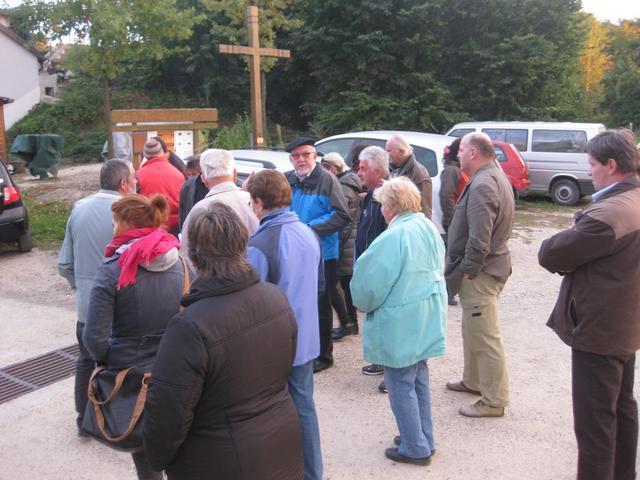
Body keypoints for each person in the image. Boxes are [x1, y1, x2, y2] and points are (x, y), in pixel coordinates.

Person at [143, 202, 303, 480]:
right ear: (243, 245)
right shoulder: (275, 297)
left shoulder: (189, 326)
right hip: (280, 442)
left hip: (219, 460)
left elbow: (167, 412)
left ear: (193, 256)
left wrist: (156, 458)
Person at [538, 129, 640, 480]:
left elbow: (550, 253)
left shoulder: (608, 215)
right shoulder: (632, 199)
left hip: (600, 330)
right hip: (626, 323)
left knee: (595, 427)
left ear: (611, 166)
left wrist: (578, 227)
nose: (589, 171)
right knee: (622, 411)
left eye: (592, 164)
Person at [83, 194, 186, 480]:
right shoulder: (182, 263)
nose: (112, 228)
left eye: (115, 222)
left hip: (132, 374)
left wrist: (105, 361)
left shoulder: (113, 269)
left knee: (145, 452)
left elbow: (94, 337)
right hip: (177, 369)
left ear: (126, 223)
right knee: (180, 443)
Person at [351, 177, 447, 466]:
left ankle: (414, 447)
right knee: (418, 378)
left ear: (391, 206)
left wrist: (363, 304)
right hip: (425, 316)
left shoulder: (394, 237)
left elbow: (368, 287)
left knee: (400, 383)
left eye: (382, 205)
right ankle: (420, 436)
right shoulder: (427, 226)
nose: (381, 210)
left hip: (402, 321)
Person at [246, 170, 324, 480]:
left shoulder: (261, 243)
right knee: (304, 407)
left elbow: (252, 302)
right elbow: (319, 287)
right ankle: (311, 472)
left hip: (274, 345)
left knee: (268, 414)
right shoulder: (307, 232)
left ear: (259, 202)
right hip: (306, 337)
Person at [57, 159, 137, 435]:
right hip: (121, 306)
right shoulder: (129, 214)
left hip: (86, 308)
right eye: (134, 180)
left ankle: (84, 421)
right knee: (123, 364)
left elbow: (64, 264)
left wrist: (81, 287)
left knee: (85, 360)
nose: (137, 185)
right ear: (123, 184)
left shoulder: (78, 210)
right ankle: (120, 423)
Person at [444, 132, 514, 418]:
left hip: (481, 272)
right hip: (485, 269)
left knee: (485, 335)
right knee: (472, 329)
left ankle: (494, 400)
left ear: (473, 152)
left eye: (461, 150)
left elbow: (479, 238)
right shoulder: (491, 176)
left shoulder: (485, 182)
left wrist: (469, 269)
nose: (457, 154)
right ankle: (473, 381)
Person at [284, 137, 351, 373]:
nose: (301, 159)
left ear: (315, 156)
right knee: (297, 302)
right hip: (294, 252)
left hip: (324, 253)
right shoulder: (287, 179)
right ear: (291, 159)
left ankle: (324, 355)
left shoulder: (327, 179)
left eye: (306, 154)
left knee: (321, 303)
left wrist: (307, 228)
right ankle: (301, 349)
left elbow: (342, 215)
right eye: (296, 156)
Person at [180, 149, 258, 257]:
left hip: (211, 272)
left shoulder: (198, 210)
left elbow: (186, 253)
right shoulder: (256, 203)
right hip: (253, 271)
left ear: (203, 178)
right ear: (235, 174)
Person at [355, 146, 390, 381]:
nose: (358, 173)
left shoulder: (389, 196)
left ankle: (392, 372)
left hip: (382, 271)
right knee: (375, 318)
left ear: (377, 171)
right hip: (370, 268)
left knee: (386, 319)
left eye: (363, 168)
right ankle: (381, 361)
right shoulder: (370, 194)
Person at [320, 152, 362, 340]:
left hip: (344, 244)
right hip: (346, 242)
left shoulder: (343, 188)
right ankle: (349, 323)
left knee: (340, 285)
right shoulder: (346, 184)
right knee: (342, 285)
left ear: (333, 169)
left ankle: (348, 323)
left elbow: (340, 220)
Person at [439, 137, 467, 306]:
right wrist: (453, 218)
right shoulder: (452, 170)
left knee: (456, 255)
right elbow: (445, 195)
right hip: (453, 220)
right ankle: (447, 291)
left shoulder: (458, 169)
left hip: (458, 219)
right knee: (453, 257)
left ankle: (450, 290)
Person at [136, 138, 185, 235]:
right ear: (162, 152)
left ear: (145, 155)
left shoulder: (138, 175)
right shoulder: (178, 173)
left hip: (150, 228)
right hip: (175, 228)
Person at [386, 134, 432, 219]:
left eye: (389, 151)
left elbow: (425, 210)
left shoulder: (420, 174)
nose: (387, 154)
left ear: (401, 152)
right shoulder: (390, 169)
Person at [177, 154, 208, 233]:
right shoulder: (186, 187)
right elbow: (182, 214)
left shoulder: (208, 187)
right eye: (188, 175)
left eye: (194, 174)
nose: (191, 178)